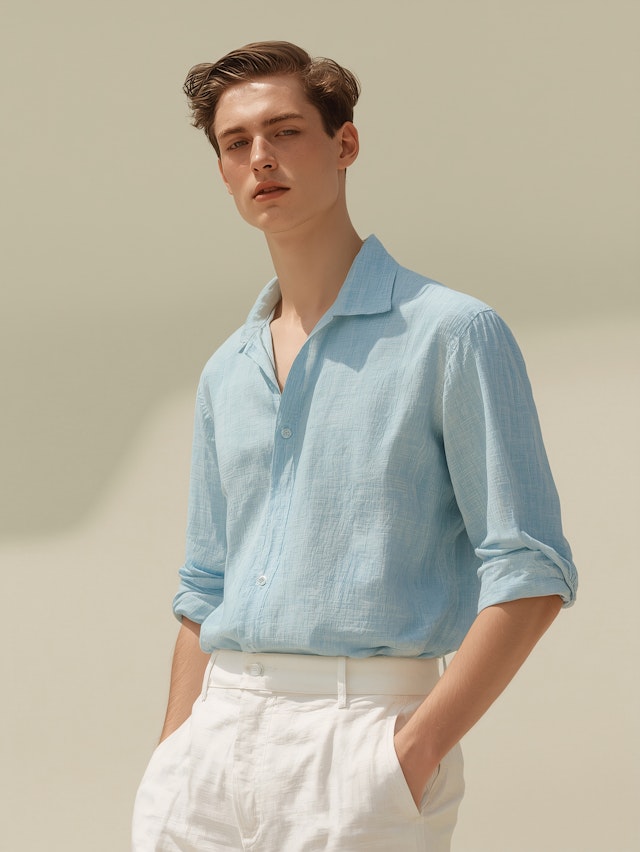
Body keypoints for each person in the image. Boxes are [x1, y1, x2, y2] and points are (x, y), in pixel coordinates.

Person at [132, 41, 577, 851]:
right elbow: (204, 586)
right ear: (223, 173)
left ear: (345, 144)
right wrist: (173, 754)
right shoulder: (227, 371)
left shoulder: (452, 334)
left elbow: (531, 569)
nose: (260, 157)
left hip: (362, 739)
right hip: (211, 747)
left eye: (285, 131)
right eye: (236, 143)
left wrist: (413, 752)